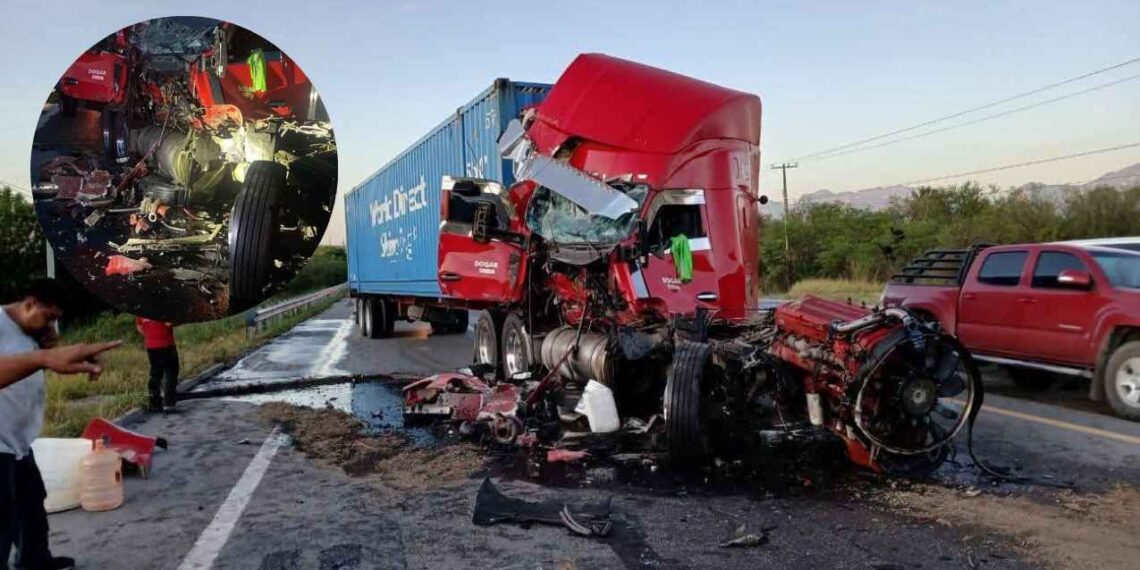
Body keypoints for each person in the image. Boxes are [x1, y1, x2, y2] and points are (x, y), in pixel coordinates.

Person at [1, 278, 89, 570]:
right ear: (29, 304)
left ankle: (34, 560)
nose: (50, 325)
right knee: (4, 517)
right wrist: (44, 356)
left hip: (19, 441)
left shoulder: (30, 333)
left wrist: (47, 349)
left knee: (32, 503)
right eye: (48, 318)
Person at [135, 317, 179, 412]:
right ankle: (169, 403)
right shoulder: (161, 309)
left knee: (155, 374)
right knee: (170, 373)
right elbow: (170, 323)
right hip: (166, 345)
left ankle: (155, 404)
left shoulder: (141, 311)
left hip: (151, 346)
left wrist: (150, 335)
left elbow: (139, 327)